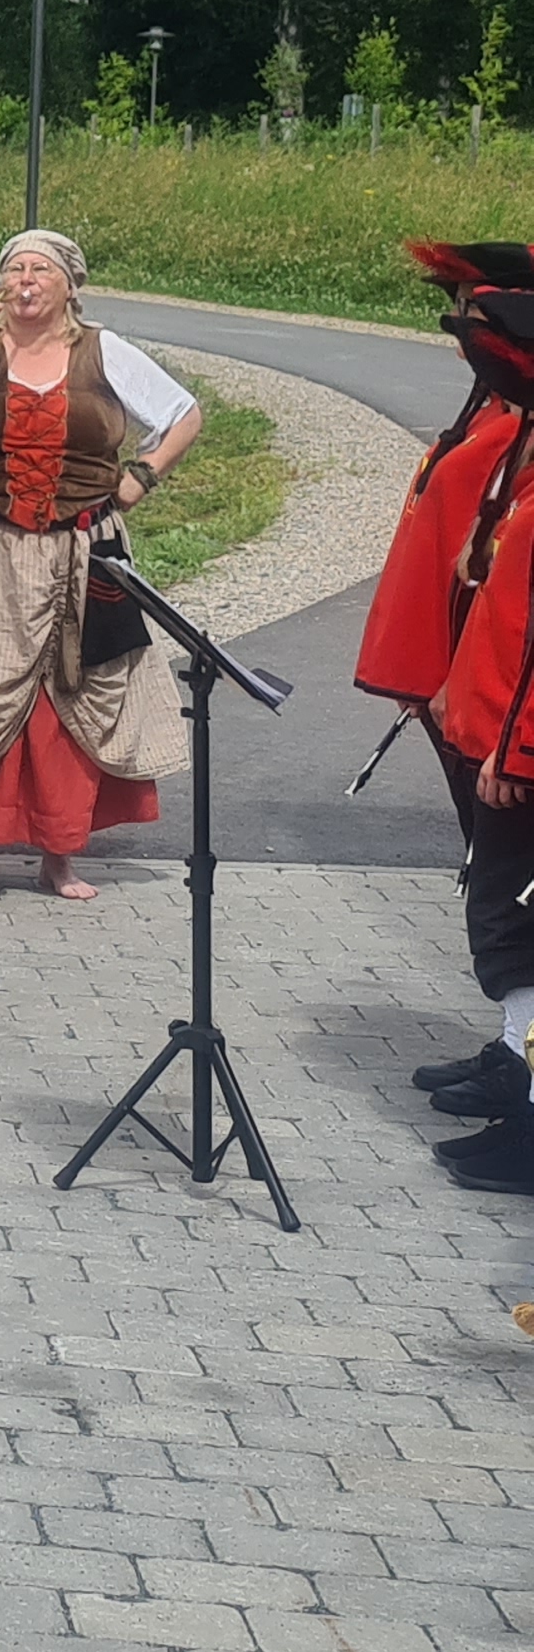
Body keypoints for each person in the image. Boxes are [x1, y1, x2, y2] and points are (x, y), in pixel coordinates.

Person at [0, 231, 202, 902]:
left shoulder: (103, 351)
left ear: (70, 285)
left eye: (40, 269)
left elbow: (184, 413)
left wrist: (140, 478)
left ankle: (60, 855)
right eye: (14, 268)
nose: (24, 279)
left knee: (70, 695)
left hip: (78, 545)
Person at [356, 242, 534, 1191]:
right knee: (498, 882)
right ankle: (515, 1058)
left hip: (512, 708)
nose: (468, 331)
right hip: (480, 691)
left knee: (515, 891)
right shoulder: (506, 420)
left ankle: (525, 1077)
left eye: (481, 313)